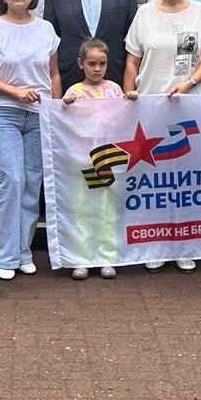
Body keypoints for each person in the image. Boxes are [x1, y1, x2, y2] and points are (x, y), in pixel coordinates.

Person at [123, 0, 201, 274]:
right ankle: (155, 243)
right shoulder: (145, 14)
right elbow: (132, 61)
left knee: (186, 178)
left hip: (190, 104)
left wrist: (190, 82)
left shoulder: (200, 12)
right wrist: (129, 96)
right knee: (155, 179)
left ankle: (184, 244)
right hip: (151, 106)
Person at [0, 0, 61, 280]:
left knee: (31, 183)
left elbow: (53, 74)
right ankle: (7, 255)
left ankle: (24, 251)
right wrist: (15, 92)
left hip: (38, 115)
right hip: (2, 113)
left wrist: (55, 109)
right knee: (11, 180)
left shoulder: (45, 28)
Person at [61, 37, 123, 281]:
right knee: (82, 209)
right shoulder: (74, 92)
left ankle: (107, 257)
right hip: (83, 161)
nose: (97, 69)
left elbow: (124, 118)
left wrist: (130, 102)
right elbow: (64, 123)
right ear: (81, 63)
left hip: (107, 159)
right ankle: (82, 258)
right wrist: (66, 107)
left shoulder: (114, 90)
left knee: (107, 209)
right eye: (92, 63)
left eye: (102, 64)